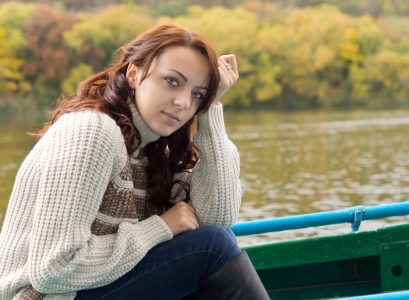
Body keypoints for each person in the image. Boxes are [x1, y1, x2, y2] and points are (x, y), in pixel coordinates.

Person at [0, 24, 270, 299]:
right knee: (213, 247)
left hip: (91, 287)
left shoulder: (152, 150)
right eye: (172, 81)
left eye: (197, 94)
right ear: (133, 73)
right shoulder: (92, 132)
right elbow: (53, 270)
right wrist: (160, 227)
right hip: (47, 295)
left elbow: (216, 218)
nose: (183, 102)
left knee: (214, 248)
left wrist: (212, 108)